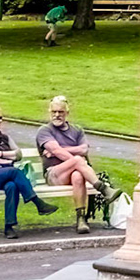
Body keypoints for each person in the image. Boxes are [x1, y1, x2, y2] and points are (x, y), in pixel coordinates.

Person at [0, 104, 57, 238]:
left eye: (1, 118)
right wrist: (8, 159)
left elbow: (18, 154)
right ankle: (38, 203)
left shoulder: (5, 138)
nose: (0, 121)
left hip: (5, 174)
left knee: (12, 186)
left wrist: (0, 154)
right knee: (14, 171)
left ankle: (9, 227)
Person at [36, 95, 101, 233]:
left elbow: (84, 149)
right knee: (78, 160)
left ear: (67, 113)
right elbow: (57, 151)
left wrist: (60, 151)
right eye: (54, 112)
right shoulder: (45, 131)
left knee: (78, 175)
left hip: (71, 175)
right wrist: (75, 158)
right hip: (54, 174)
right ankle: (101, 187)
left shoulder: (77, 130)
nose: (57, 115)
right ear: (50, 112)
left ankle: (81, 219)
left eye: (61, 112)